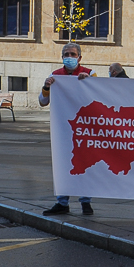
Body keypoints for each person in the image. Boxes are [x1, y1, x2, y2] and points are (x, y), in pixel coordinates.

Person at [39, 42, 95, 216]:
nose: (69, 57)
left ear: (80, 57)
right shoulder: (55, 75)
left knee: (86, 164)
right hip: (63, 128)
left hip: (85, 128)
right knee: (63, 165)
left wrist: (90, 83)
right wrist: (47, 87)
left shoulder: (89, 73)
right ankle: (62, 202)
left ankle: (86, 202)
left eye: (73, 54)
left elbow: (98, 97)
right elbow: (42, 101)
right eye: (66, 54)